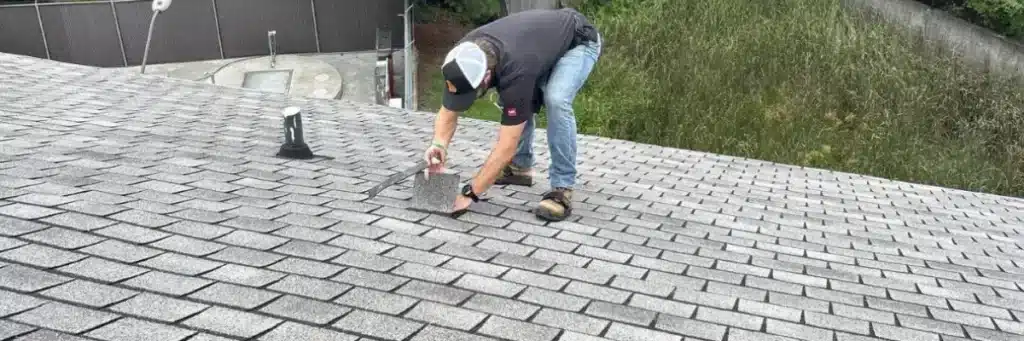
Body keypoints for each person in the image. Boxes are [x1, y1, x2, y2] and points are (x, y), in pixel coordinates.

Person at [423, 7, 602, 221]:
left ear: (486, 76)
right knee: (513, 97)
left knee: (555, 99)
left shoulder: (516, 68)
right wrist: (439, 145)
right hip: (536, 46)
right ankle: (519, 168)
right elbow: (448, 111)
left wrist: (470, 194)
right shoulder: (461, 59)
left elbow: (506, 145)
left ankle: (562, 187)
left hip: (578, 39)